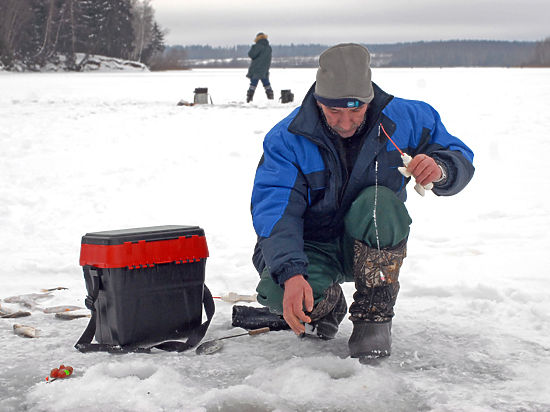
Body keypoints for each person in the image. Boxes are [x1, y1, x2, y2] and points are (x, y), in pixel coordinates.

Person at [250, 43, 474, 359]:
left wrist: (442, 168)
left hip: (370, 241)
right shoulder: (287, 138)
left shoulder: (406, 117)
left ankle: (375, 314)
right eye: (334, 111)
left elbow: (459, 155)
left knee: (380, 204)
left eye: (356, 109)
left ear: (369, 99)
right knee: (275, 291)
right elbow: (275, 210)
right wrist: (290, 272)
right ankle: (326, 306)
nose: (345, 122)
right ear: (318, 101)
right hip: (310, 247)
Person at [246, 32, 273, 103]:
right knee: (266, 84)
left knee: (253, 84)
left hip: (256, 69)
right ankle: (271, 99)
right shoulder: (268, 47)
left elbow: (251, 54)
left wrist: (253, 47)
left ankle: (249, 99)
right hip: (265, 69)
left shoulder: (257, 46)